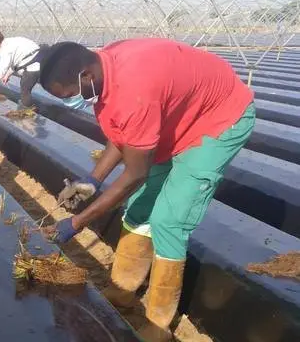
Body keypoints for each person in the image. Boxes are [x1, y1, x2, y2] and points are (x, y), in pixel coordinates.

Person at [39, 39, 255, 342]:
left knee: (169, 219)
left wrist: (76, 223)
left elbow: (135, 173)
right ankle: (122, 291)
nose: (71, 101)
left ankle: (158, 324)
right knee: (140, 208)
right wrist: (92, 180)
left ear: (85, 75)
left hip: (218, 120)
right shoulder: (106, 70)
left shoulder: (134, 88)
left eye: (71, 95)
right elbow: (123, 134)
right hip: (175, 118)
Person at [0, 30, 41, 109]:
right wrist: (7, 75)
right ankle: (28, 106)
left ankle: (27, 111)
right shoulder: (7, 42)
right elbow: (14, 62)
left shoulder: (5, 49)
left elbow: (2, 68)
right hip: (35, 59)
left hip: (34, 62)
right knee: (26, 84)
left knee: (25, 88)